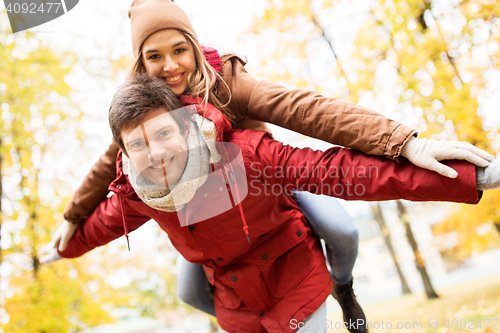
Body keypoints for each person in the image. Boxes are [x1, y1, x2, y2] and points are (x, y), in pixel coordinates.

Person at [49, 1, 495, 332]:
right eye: (154, 57)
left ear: (194, 47)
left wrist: (402, 143)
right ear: (141, 65)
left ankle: (342, 286)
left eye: (179, 50)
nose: (170, 66)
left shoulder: (228, 83)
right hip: (201, 213)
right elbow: (111, 165)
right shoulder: (146, 115)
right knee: (189, 291)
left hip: (266, 178)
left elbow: (308, 111)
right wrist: (72, 218)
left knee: (342, 229)